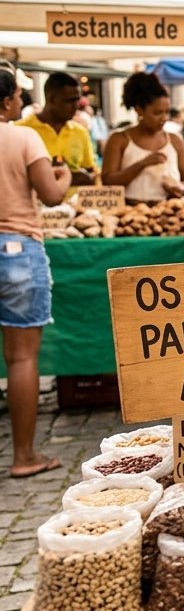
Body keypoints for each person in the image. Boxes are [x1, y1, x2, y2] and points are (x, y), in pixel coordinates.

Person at [0, 67, 70, 478]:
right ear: (8, 101)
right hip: (17, 248)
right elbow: (52, 194)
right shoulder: (23, 136)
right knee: (22, 357)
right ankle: (24, 456)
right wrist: (61, 174)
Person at [103, 73, 184, 204]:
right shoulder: (119, 139)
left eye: (167, 112)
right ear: (139, 110)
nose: (164, 118)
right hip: (129, 212)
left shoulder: (175, 140)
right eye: (157, 113)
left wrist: (181, 188)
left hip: (169, 209)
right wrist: (143, 164)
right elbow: (107, 181)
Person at [17, 72, 96, 185]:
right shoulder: (22, 130)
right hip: (35, 201)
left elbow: (90, 171)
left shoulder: (80, 132)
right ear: (51, 99)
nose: (76, 106)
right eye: (70, 100)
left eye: (77, 100)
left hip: (74, 201)